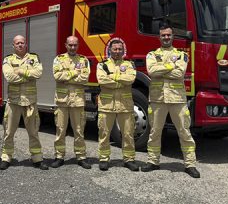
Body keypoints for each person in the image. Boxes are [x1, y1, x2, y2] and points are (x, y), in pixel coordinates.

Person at [142, 24, 200, 178]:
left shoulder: (181, 55)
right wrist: (170, 66)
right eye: (163, 35)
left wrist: (162, 68)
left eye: (168, 35)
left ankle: (190, 164)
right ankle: (153, 161)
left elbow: (180, 73)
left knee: (184, 132)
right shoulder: (151, 55)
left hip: (177, 99)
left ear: (172, 36)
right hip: (157, 99)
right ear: (159, 37)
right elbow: (151, 71)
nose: (166, 37)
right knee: (155, 131)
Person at [0, 35, 48, 170]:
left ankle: (37, 158)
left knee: (33, 132)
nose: (20, 45)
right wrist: (28, 75)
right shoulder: (8, 59)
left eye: (22, 43)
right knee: (9, 132)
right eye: (17, 43)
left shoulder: (34, 58)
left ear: (26, 44)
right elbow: (9, 77)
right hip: (13, 102)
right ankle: (6, 157)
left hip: (30, 102)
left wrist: (20, 71)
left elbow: (38, 73)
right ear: (13, 46)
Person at [96, 38, 139, 172]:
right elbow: (102, 80)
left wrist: (112, 78)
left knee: (128, 133)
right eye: (114, 49)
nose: (117, 51)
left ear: (123, 50)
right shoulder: (102, 65)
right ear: (110, 50)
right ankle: (103, 159)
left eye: (120, 49)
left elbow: (131, 79)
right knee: (104, 133)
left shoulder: (129, 64)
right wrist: (121, 79)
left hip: (125, 105)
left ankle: (129, 159)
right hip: (106, 105)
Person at [50, 36, 91, 169]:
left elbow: (85, 78)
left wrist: (67, 76)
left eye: (75, 45)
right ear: (65, 45)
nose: (73, 47)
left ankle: (81, 156)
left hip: (77, 101)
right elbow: (57, 76)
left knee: (79, 130)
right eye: (70, 45)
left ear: (78, 45)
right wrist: (75, 73)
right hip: (62, 101)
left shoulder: (83, 60)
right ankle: (59, 156)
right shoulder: (58, 59)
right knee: (60, 130)